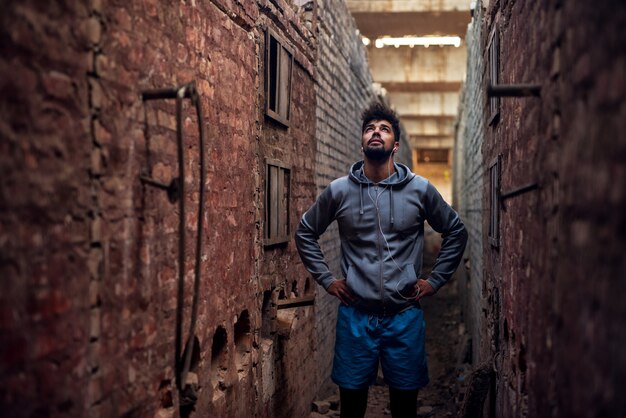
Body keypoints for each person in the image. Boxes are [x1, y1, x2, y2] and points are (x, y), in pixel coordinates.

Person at [295, 101, 468, 418]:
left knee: (404, 407)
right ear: (362, 140)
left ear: (396, 145)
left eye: (384, 129)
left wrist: (435, 280)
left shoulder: (419, 190)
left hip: (404, 316)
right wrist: (328, 280)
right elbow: (305, 232)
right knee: (352, 406)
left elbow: (456, 231)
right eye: (370, 128)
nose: (376, 132)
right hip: (356, 317)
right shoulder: (339, 191)